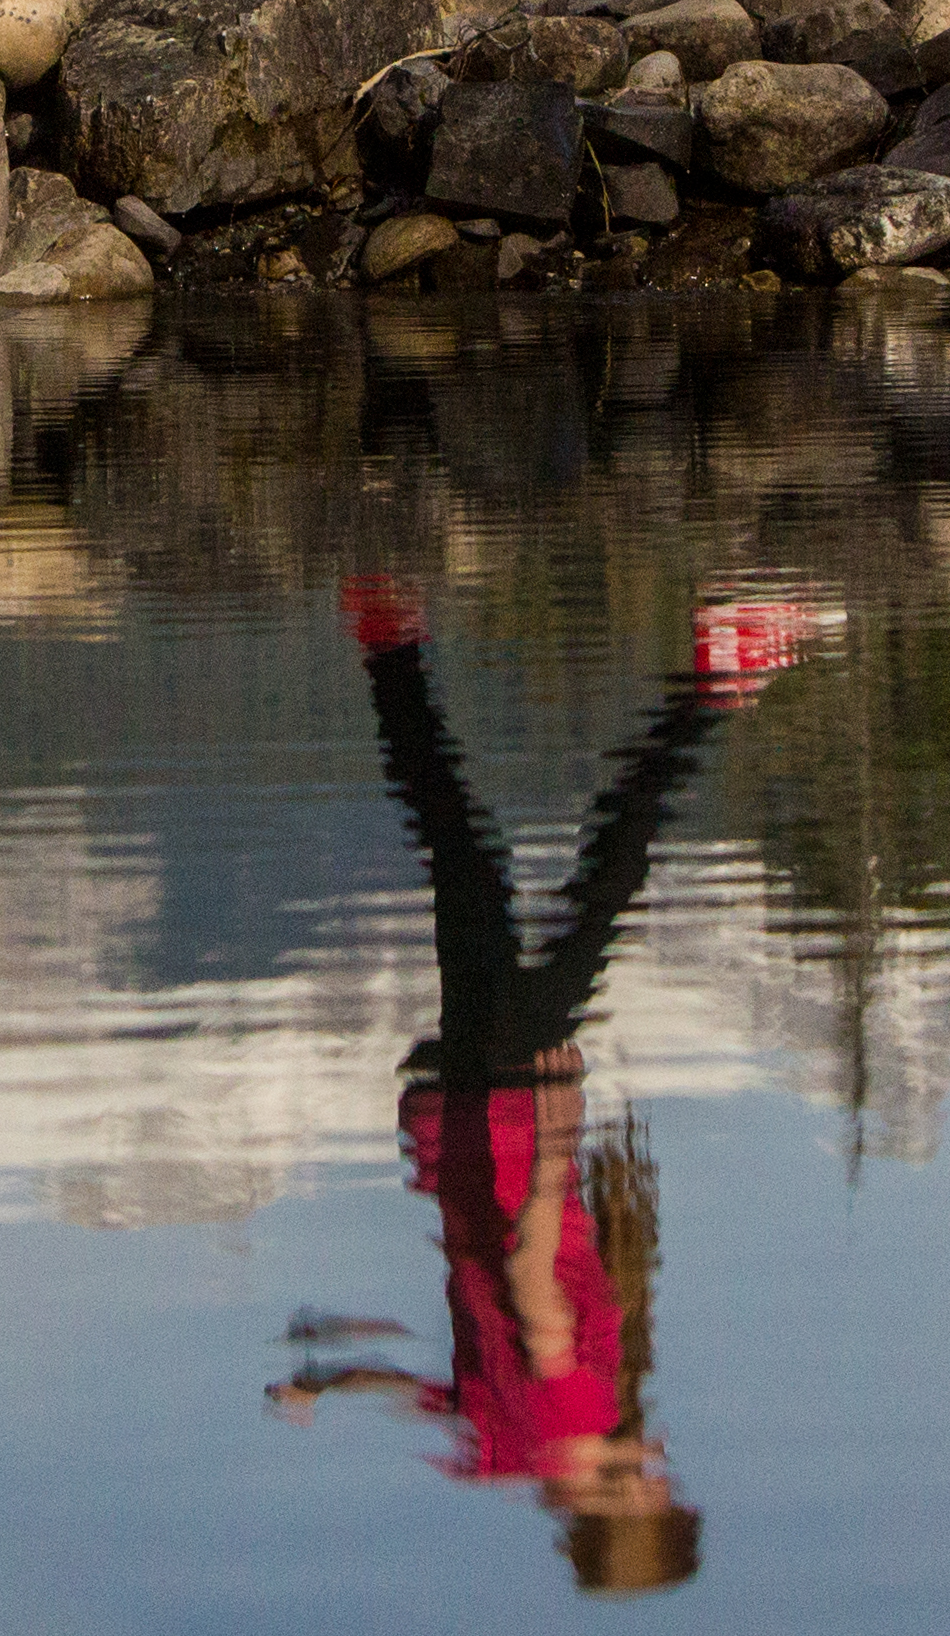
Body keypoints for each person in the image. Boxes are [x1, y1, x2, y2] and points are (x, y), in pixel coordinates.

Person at [267, 572, 839, 1595]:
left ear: (628, 1506)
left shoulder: (575, 1409)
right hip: (450, 1119)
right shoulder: (505, 1453)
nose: (663, 1465)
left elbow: (535, 1273)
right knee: (469, 863)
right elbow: (418, 1390)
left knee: (606, 876)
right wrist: (323, 1381)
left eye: (661, 1490)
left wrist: (556, 1130)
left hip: (513, 1110)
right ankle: (384, 639)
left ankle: (714, 672)